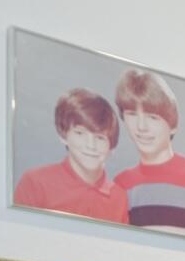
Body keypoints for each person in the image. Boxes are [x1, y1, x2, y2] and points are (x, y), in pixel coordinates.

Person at [112, 69, 185, 236]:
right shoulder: (121, 185)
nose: (141, 127)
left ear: (172, 124)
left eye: (152, 117)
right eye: (132, 114)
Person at [14, 89, 129, 223]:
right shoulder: (36, 183)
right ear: (64, 136)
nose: (90, 145)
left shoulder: (118, 196)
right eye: (80, 133)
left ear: (111, 147)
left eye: (100, 138)